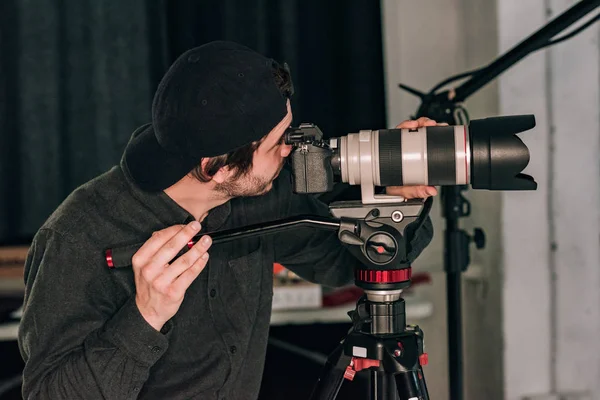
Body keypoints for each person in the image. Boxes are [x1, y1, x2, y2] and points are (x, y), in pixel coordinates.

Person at [18, 40, 438, 400]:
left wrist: (392, 195)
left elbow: (345, 262)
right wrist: (145, 315)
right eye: (278, 143)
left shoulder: (261, 195)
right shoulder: (77, 237)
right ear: (216, 168)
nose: (291, 152)